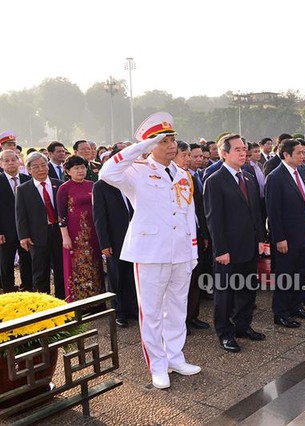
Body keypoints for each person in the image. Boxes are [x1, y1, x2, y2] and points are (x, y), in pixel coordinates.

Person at [99, 111, 201, 390]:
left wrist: (193, 251)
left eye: (173, 140)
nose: (172, 145)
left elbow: (188, 214)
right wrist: (141, 147)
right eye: (164, 141)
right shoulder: (136, 171)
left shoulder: (183, 175)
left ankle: (175, 357)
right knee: (152, 312)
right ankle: (157, 365)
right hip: (150, 252)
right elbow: (106, 172)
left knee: (177, 309)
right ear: (150, 145)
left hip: (180, 251)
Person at [204, 134, 267, 352]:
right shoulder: (214, 181)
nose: (243, 153)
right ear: (224, 154)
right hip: (227, 250)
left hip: (249, 246)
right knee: (225, 293)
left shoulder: (247, 177)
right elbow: (213, 219)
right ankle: (225, 332)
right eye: (238, 150)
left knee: (248, 288)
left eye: (244, 149)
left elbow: (256, 213)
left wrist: (261, 239)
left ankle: (243, 325)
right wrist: (220, 250)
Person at [265, 138, 305, 328]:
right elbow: (273, 212)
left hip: (304, 234)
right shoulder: (275, 177)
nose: (304, 156)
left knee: (302, 272)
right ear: (286, 154)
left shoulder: (303, 173)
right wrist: (279, 238)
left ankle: (296, 306)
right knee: (286, 275)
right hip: (286, 238)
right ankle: (280, 312)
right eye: (299, 153)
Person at [93, 149, 137, 328]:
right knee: (116, 276)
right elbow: (99, 217)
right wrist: (105, 243)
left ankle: (133, 308)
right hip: (115, 239)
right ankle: (119, 312)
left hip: (135, 236)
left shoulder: (132, 181)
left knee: (132, 275)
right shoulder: (101, 185)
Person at [15, 152, 65, 298]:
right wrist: (23, 236)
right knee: (40, 271)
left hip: (59, 233)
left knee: (60, 268)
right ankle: (44, 303)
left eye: (43, 165)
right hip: (37, 235)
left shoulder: (59, 185)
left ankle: (62, 302)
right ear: (29, 170)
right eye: (36, 167)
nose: (41, 169)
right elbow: (20, 215)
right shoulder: (23, 189)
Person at [56, 155, 104, 302]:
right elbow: (61, 216)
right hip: (74, 233)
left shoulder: (92, 185)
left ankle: (97, 300)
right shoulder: (64, 189)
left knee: (95, 264)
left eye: (82, 167)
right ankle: (78, 302)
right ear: (68, 171)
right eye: (76, 168)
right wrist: (65, 236)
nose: (80, 171)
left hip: (94, 232)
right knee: (76, 265)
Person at [179, 143, 211, 333]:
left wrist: (205, 234)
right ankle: (181, 321)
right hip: (182, 235)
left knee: (196, 277)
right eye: (189, 155)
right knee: (183, 282)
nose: (193, 159)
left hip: (198, 232)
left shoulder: (194, 176)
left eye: (196, 155)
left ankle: (192, 316)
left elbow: (201, 208)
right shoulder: (176, 179)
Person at [0, 150, 32, 292]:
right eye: (6, 160)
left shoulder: (28, 179)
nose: (11, 162)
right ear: (1, 164)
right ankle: (8, 292)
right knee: (6, 264)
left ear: (19, 161)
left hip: (26, 230)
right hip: (5, 232)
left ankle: (28, 289)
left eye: (13, 159)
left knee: (27, 261)